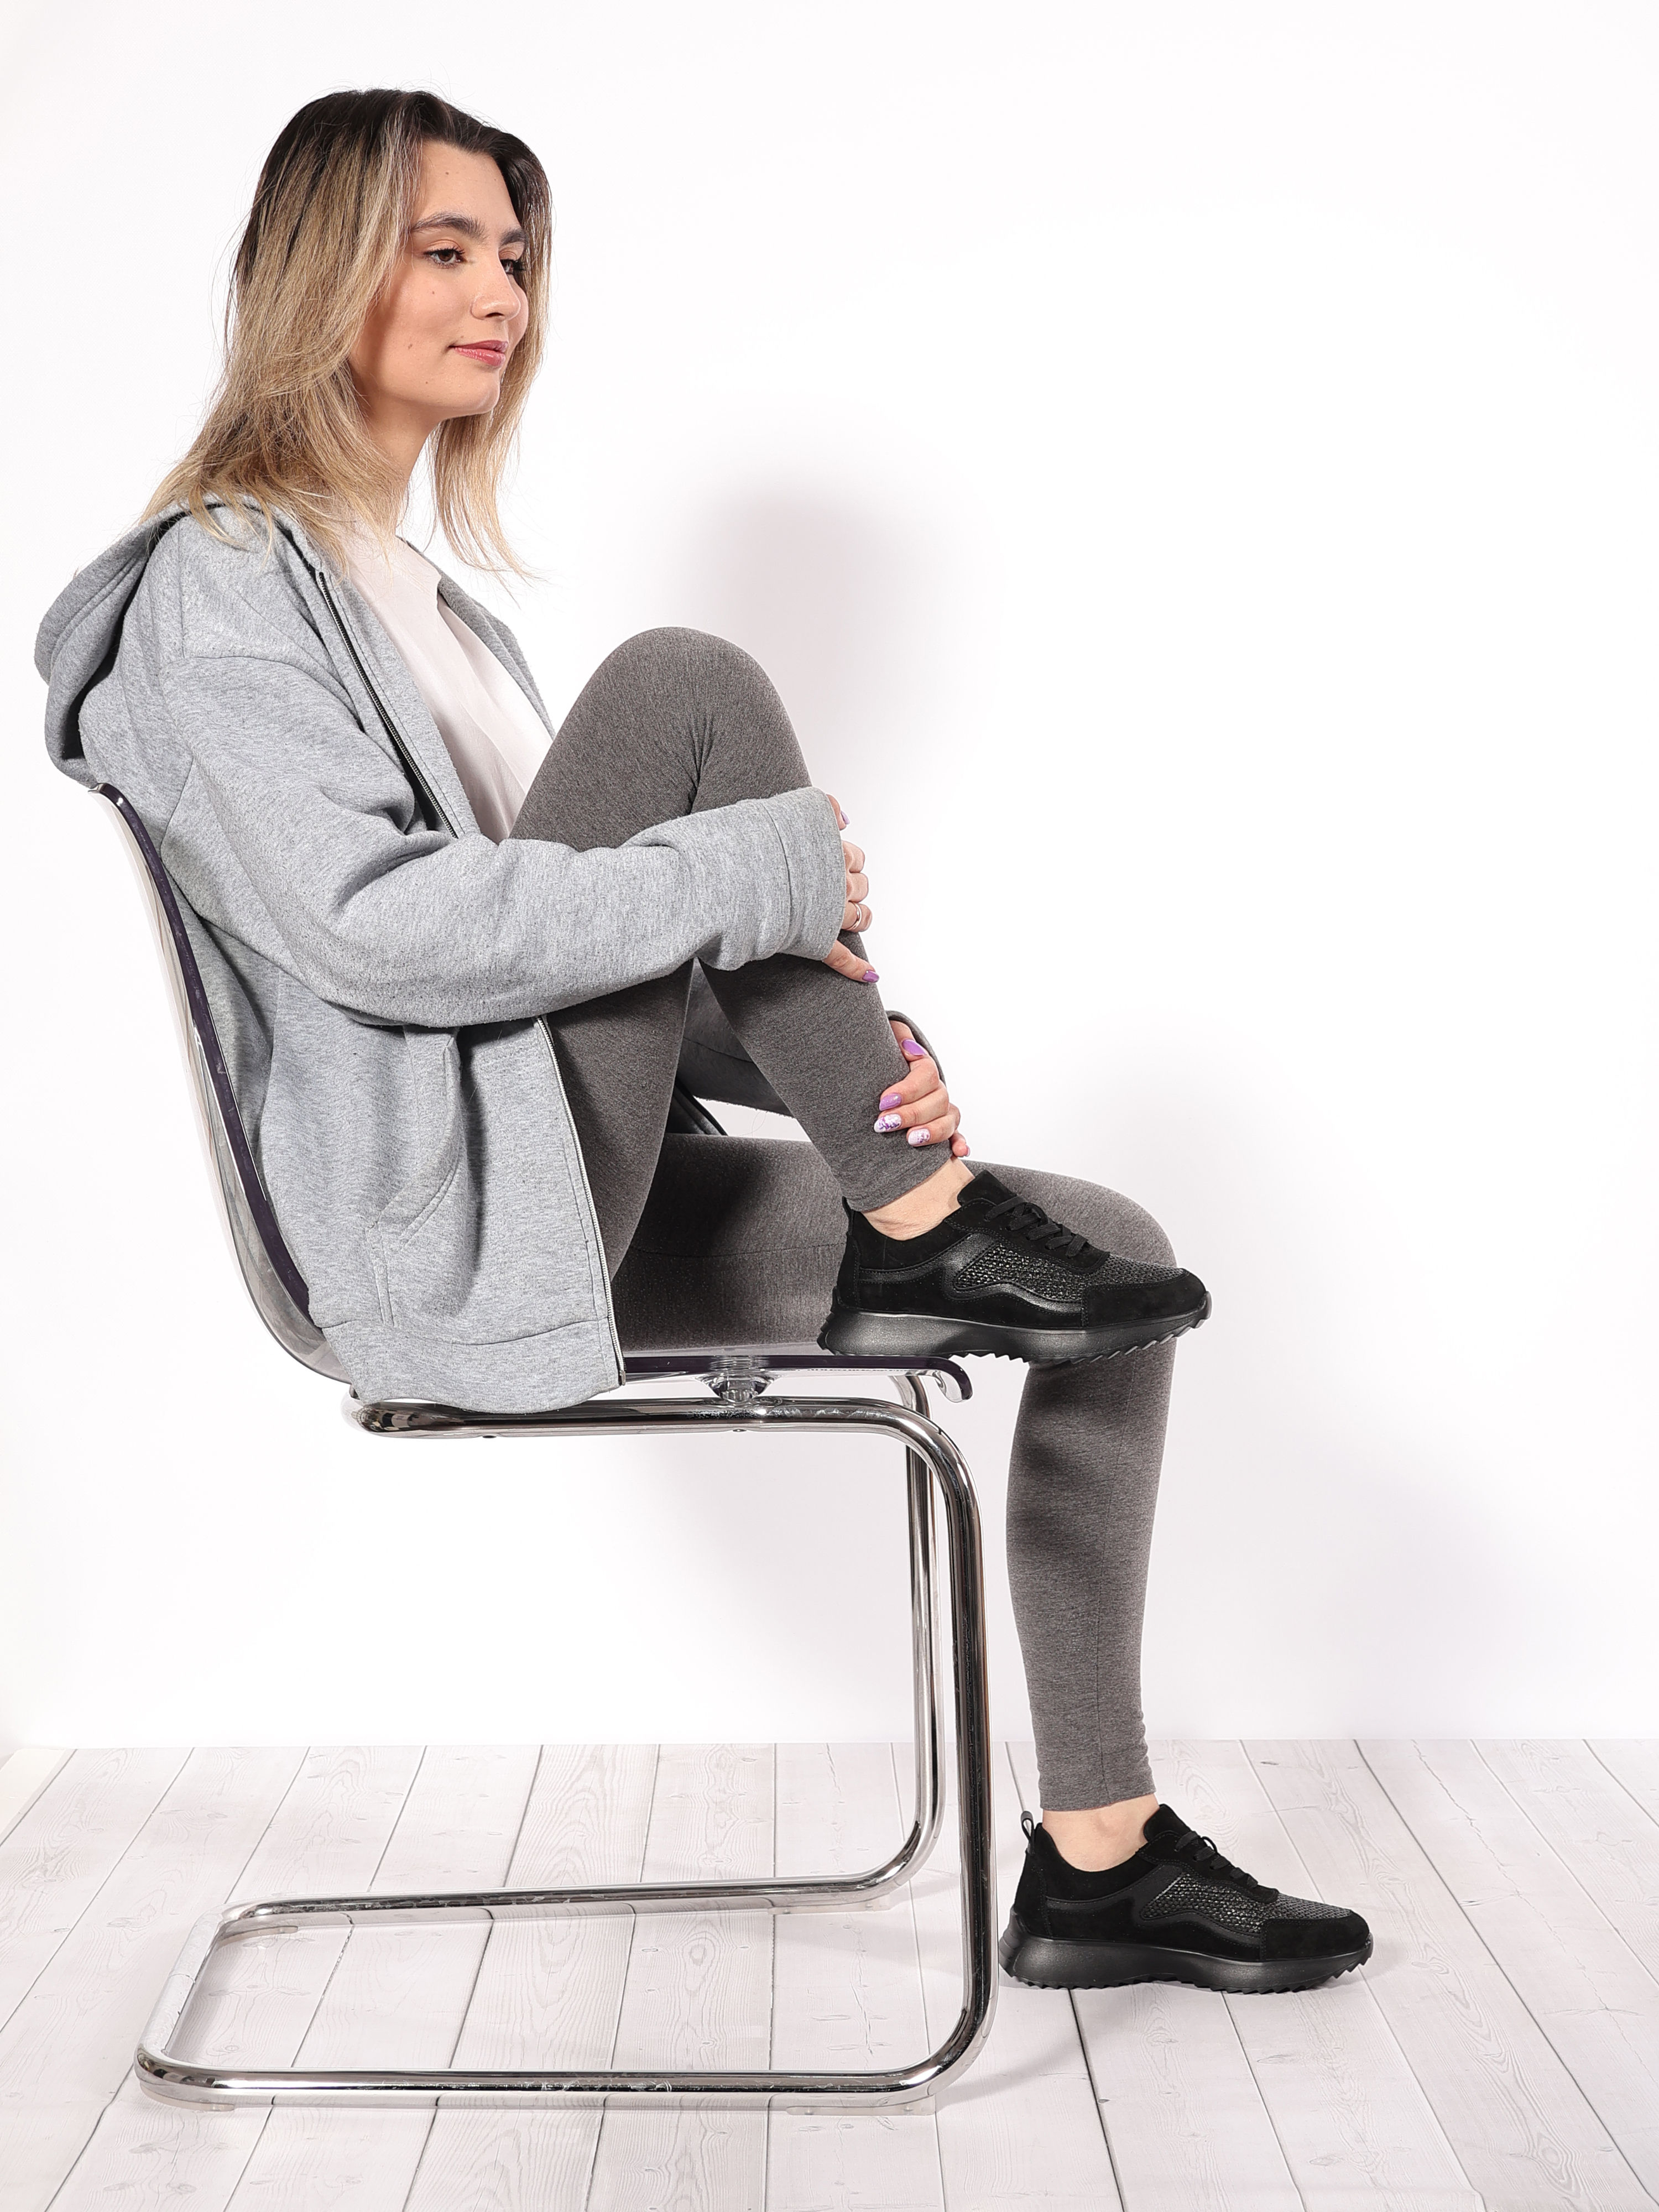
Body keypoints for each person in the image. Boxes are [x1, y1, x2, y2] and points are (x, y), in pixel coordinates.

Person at [36, 88, 1370, 1995]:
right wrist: (758, 875)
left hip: (566, 1173)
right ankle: (920, 1219)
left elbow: (594, 975)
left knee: (1117, 1255)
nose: (499, 294)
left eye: (513, 255)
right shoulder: (220, 590)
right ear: (318, 272)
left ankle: (1101, 1855)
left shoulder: (430, 612)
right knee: (686, 685)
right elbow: (381, 933)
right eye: (443, 249)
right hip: (441, 1227)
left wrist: (857, 1063)